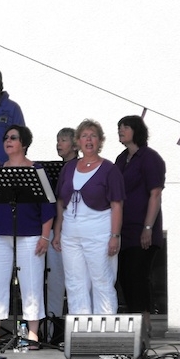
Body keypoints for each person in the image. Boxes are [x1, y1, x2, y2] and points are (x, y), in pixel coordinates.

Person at [0, 125, 54, 349]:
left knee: (31, 283)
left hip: (31, 234)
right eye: (6, 138)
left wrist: (45, 237)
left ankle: (32, 334)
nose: (8, 141)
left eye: (13, 137)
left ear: (24, 143)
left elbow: (48, 207)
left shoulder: (37, 171)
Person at [52, 119, 125, 315]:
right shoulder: (69, 168)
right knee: (75, 282)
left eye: (93, 136)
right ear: (78, 142)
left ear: (100, 141)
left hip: (99, 233)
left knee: (102, 280)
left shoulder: (109, 169)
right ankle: (80, 329)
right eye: (84, 136)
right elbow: (61, 202)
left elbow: (117, 204)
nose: (89, 139)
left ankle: (105, 330)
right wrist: (57, 232)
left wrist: (115, 236)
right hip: (71, 234)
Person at [114, 115, 165, 334]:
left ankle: (145, 325)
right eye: (119, 127)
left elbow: (155, 194)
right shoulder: (121, 158)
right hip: (123, 230)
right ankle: (134, 324)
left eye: (125, 127)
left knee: (138, 275)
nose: (121, 130)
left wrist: (148, 228)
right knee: (125, 277)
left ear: (136, 130)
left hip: (142, 228)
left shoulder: (150, 157)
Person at [44, 127, 78, 340]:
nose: (59, 144)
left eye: (63, 140)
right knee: (54, 282)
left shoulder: (81, 168)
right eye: (57, 140)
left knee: (75, 282)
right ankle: (51, 331)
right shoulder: (55, 170)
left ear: (75, 145)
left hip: (74, 231)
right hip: (57, 231)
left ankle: (76, 331)